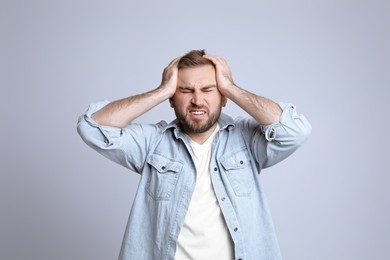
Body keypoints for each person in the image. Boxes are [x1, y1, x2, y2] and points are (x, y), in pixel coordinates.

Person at [77, 49, 312, 260]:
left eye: (208, 90)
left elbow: (295, 131)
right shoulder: (153, 142)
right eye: (186, 90)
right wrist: (161, 91)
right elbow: (93, 127)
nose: (197, 100)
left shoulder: (246, 140)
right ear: (171, 99)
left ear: (223, 98)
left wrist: (231, 87)